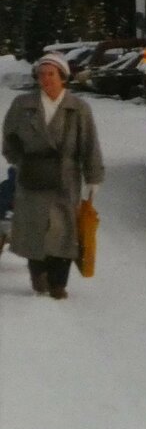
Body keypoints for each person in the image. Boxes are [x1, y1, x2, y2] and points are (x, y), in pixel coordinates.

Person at [2, 51, 105, 299]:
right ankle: (38, 275)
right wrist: (22, 161)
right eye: (41, 74)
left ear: (63, 77)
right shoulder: (23, 105)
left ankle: (58, 283)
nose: (46, 79)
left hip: (65, 178)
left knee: (63, 231)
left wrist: (93, 177)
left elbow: (89, 144)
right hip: (32, 177)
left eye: (51, 74)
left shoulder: (77, 109)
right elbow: (9, 139)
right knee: (34, 229)